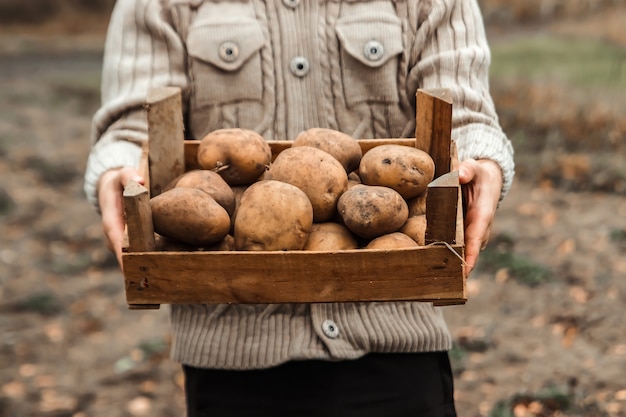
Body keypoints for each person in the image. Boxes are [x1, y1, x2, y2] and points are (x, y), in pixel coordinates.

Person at [85, 0, 514, 415]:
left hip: (397, 345)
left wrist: (480, 162)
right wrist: (118, 170)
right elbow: (135, 125)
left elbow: (462, 113)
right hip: (230, 352)